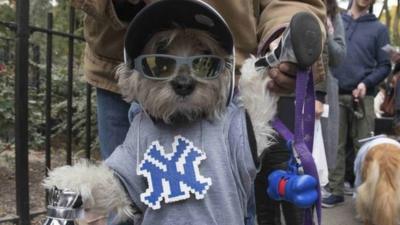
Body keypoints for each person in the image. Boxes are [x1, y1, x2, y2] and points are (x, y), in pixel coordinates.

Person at [71, 0, 326, 224]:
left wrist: (283, 39)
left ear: (219, 66)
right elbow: (115, 186)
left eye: (204, 60)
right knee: (124, 210)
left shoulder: (230, 129)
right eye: (160, 61)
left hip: (229, 90)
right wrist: (82, 186)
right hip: (116, 52)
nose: (183, 80)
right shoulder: (139, 135)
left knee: (242, 197)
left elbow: (255, 131)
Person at [322, 0, 391, 208]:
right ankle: (334, 190)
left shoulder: (380, 29)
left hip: (363, 97)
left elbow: (385, 66)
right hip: (334, 93)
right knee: (335, 145)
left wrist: (365, 83)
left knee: (365, 148)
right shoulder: (337, 20)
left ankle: (368, 196)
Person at [315, 0, 346, 187]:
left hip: (325, 90)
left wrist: (327, 34)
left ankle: (321, 188)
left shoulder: (334, 16)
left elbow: (339, 57)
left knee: (324, 146)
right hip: (293, 85)